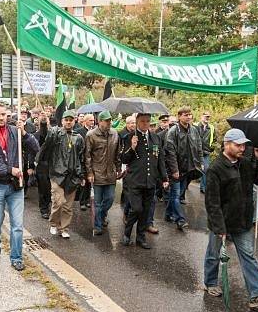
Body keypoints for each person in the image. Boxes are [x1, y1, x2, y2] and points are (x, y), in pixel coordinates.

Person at [203, 129, 258, 310]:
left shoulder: (244, 163)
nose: (242, 148)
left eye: (243, 145)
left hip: (242, 221)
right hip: (222, 221)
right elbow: (212, 202)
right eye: (238, 145)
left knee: (248, 256)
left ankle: (257, 295)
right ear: (227, 144)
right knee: (214, 254)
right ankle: (210, 282)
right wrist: (219, 228)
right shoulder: (215, 168)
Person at [0, 102, 40, 270]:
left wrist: (25, 134)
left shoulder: (15, 131)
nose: (2, 117)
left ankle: (16, 257)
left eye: (4, 114)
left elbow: (35, 148)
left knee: (18, 225)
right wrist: (10, 170)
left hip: (16, 187)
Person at [120, 113, 169, 249]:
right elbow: (123, 159)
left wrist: (164, 178)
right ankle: (127, 232)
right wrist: (132, 147)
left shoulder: (156, 137)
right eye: (142, 121)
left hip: (150, 180)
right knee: (136, 209)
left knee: (146, 211)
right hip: (135, 180)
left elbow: (160, 160)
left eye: (148, 121)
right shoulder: (129, 137)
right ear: (137, 122)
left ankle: (140, 238)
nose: (145, 124)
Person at [37, 110, 85, 239]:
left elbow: (81, 158)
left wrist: (81, 175)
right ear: (62, 121)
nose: (68, 122)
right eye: (66, 120)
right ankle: (54, 223)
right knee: (58, 201)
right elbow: (45, 137)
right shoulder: (55, 133)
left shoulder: (79, 138)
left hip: (73, 176)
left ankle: (64, 228)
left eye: (71, 120)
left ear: (74, 121)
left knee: (68, 206)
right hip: (57, 174)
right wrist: (43, 123)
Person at [164, 106, 203, 231]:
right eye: (185, 115)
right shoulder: (173, 131)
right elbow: (170, 152)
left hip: (189, 169)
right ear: (179, 116)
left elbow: (199, 147)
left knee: (178, 193)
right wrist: (174, 170)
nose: (188, 117)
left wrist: (200, 162)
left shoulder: (194, 130)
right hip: (176, 169)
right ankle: (180, 220)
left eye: (190, 114)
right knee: (175, 195)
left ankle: (168, 214)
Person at [85, 110, 121, 235]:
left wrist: (119, 168)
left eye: (110, 120)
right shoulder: (91, 135)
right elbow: (87, 156)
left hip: (110, 173)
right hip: (97, 173)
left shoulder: (115, 134)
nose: (109, 122)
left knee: (110, 199)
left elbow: (117, 154)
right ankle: (98, 225)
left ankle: (102, 215)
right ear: (100, 121)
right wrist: (89, 173)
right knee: (98, 203)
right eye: (107, 120)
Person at [75, 113, 95, 211]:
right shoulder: (79, 132)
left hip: (92, 160)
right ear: (85, 121)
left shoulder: (95, 131)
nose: (93, 122)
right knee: (83, 181)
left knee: (89, 181)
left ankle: (87, 200)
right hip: (82, 159)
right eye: (90, 120)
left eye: (93, 120)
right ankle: (82, 201)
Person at [35, 110, 53, 218]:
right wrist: (31, 166)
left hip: (53, 165)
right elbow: (43, 135)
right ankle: (44, 208)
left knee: (52, 188)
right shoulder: (36, 135)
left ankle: (50, 204)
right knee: (43, 188)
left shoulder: (54, 133)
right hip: (41, 165)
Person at [197, 111, 215, 194]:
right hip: (196, 152)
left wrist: (211, 148)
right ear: (201, 117)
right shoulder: (196, 126)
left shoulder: (211, 127)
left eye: (208, 117)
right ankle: (185, 185)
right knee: (191, 169)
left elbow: (214, 139)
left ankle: (203, 187)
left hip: (206, 152)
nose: (207, 118)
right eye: (205, 116)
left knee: (206, 169)